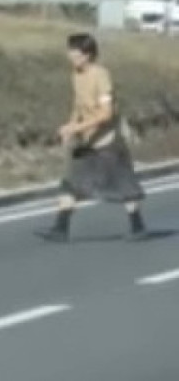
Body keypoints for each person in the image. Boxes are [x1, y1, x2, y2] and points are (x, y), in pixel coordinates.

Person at [36, 33, 150, 243]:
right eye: (70, 51)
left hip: (108, 141)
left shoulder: (101, 75)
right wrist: (71, 127)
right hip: (87, 141)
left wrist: (78, 126)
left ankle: (137, 225)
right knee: (70, 182)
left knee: (124, 186)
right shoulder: (76, 75)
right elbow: (78, 105)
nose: (70, 56)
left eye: (75, 52)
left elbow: (106, 114)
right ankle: (60, 229)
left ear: (87, 55)